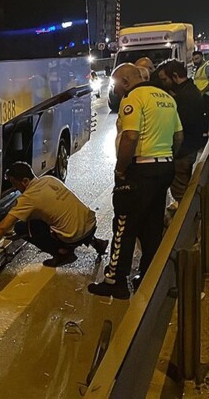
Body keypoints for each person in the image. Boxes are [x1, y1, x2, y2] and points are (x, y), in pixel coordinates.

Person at [88, 64, 183, 299]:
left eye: (115, 84)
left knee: (124, 225)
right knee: (152, 227)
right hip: (165, 167)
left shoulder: (133, 98)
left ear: (126, 82)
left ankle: (115, 281)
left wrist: (121, 169)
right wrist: (167, 159)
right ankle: (147, 278)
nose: (114, 89)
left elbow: (131, 136)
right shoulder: (166, 98)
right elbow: (178, 137)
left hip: (140, 170)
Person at [0, 162, 108, 267]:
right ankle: (96, 242)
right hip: (90, 223)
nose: (15, 188)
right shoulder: (49, 179)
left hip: (73, 236)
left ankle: (61, 253)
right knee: (61, 216)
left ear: (25, 181)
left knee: (23, 227)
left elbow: (3, 227)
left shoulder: (28, 197)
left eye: (14, 183)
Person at [157, 60, 209, 208]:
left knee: (181, 191)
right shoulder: (190, 90)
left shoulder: (183, 98)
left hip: (184, 152)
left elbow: (177, 129)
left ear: (174, 76)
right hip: (191, 147)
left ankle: (183, 225)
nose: (163, 83)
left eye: (164, 79)